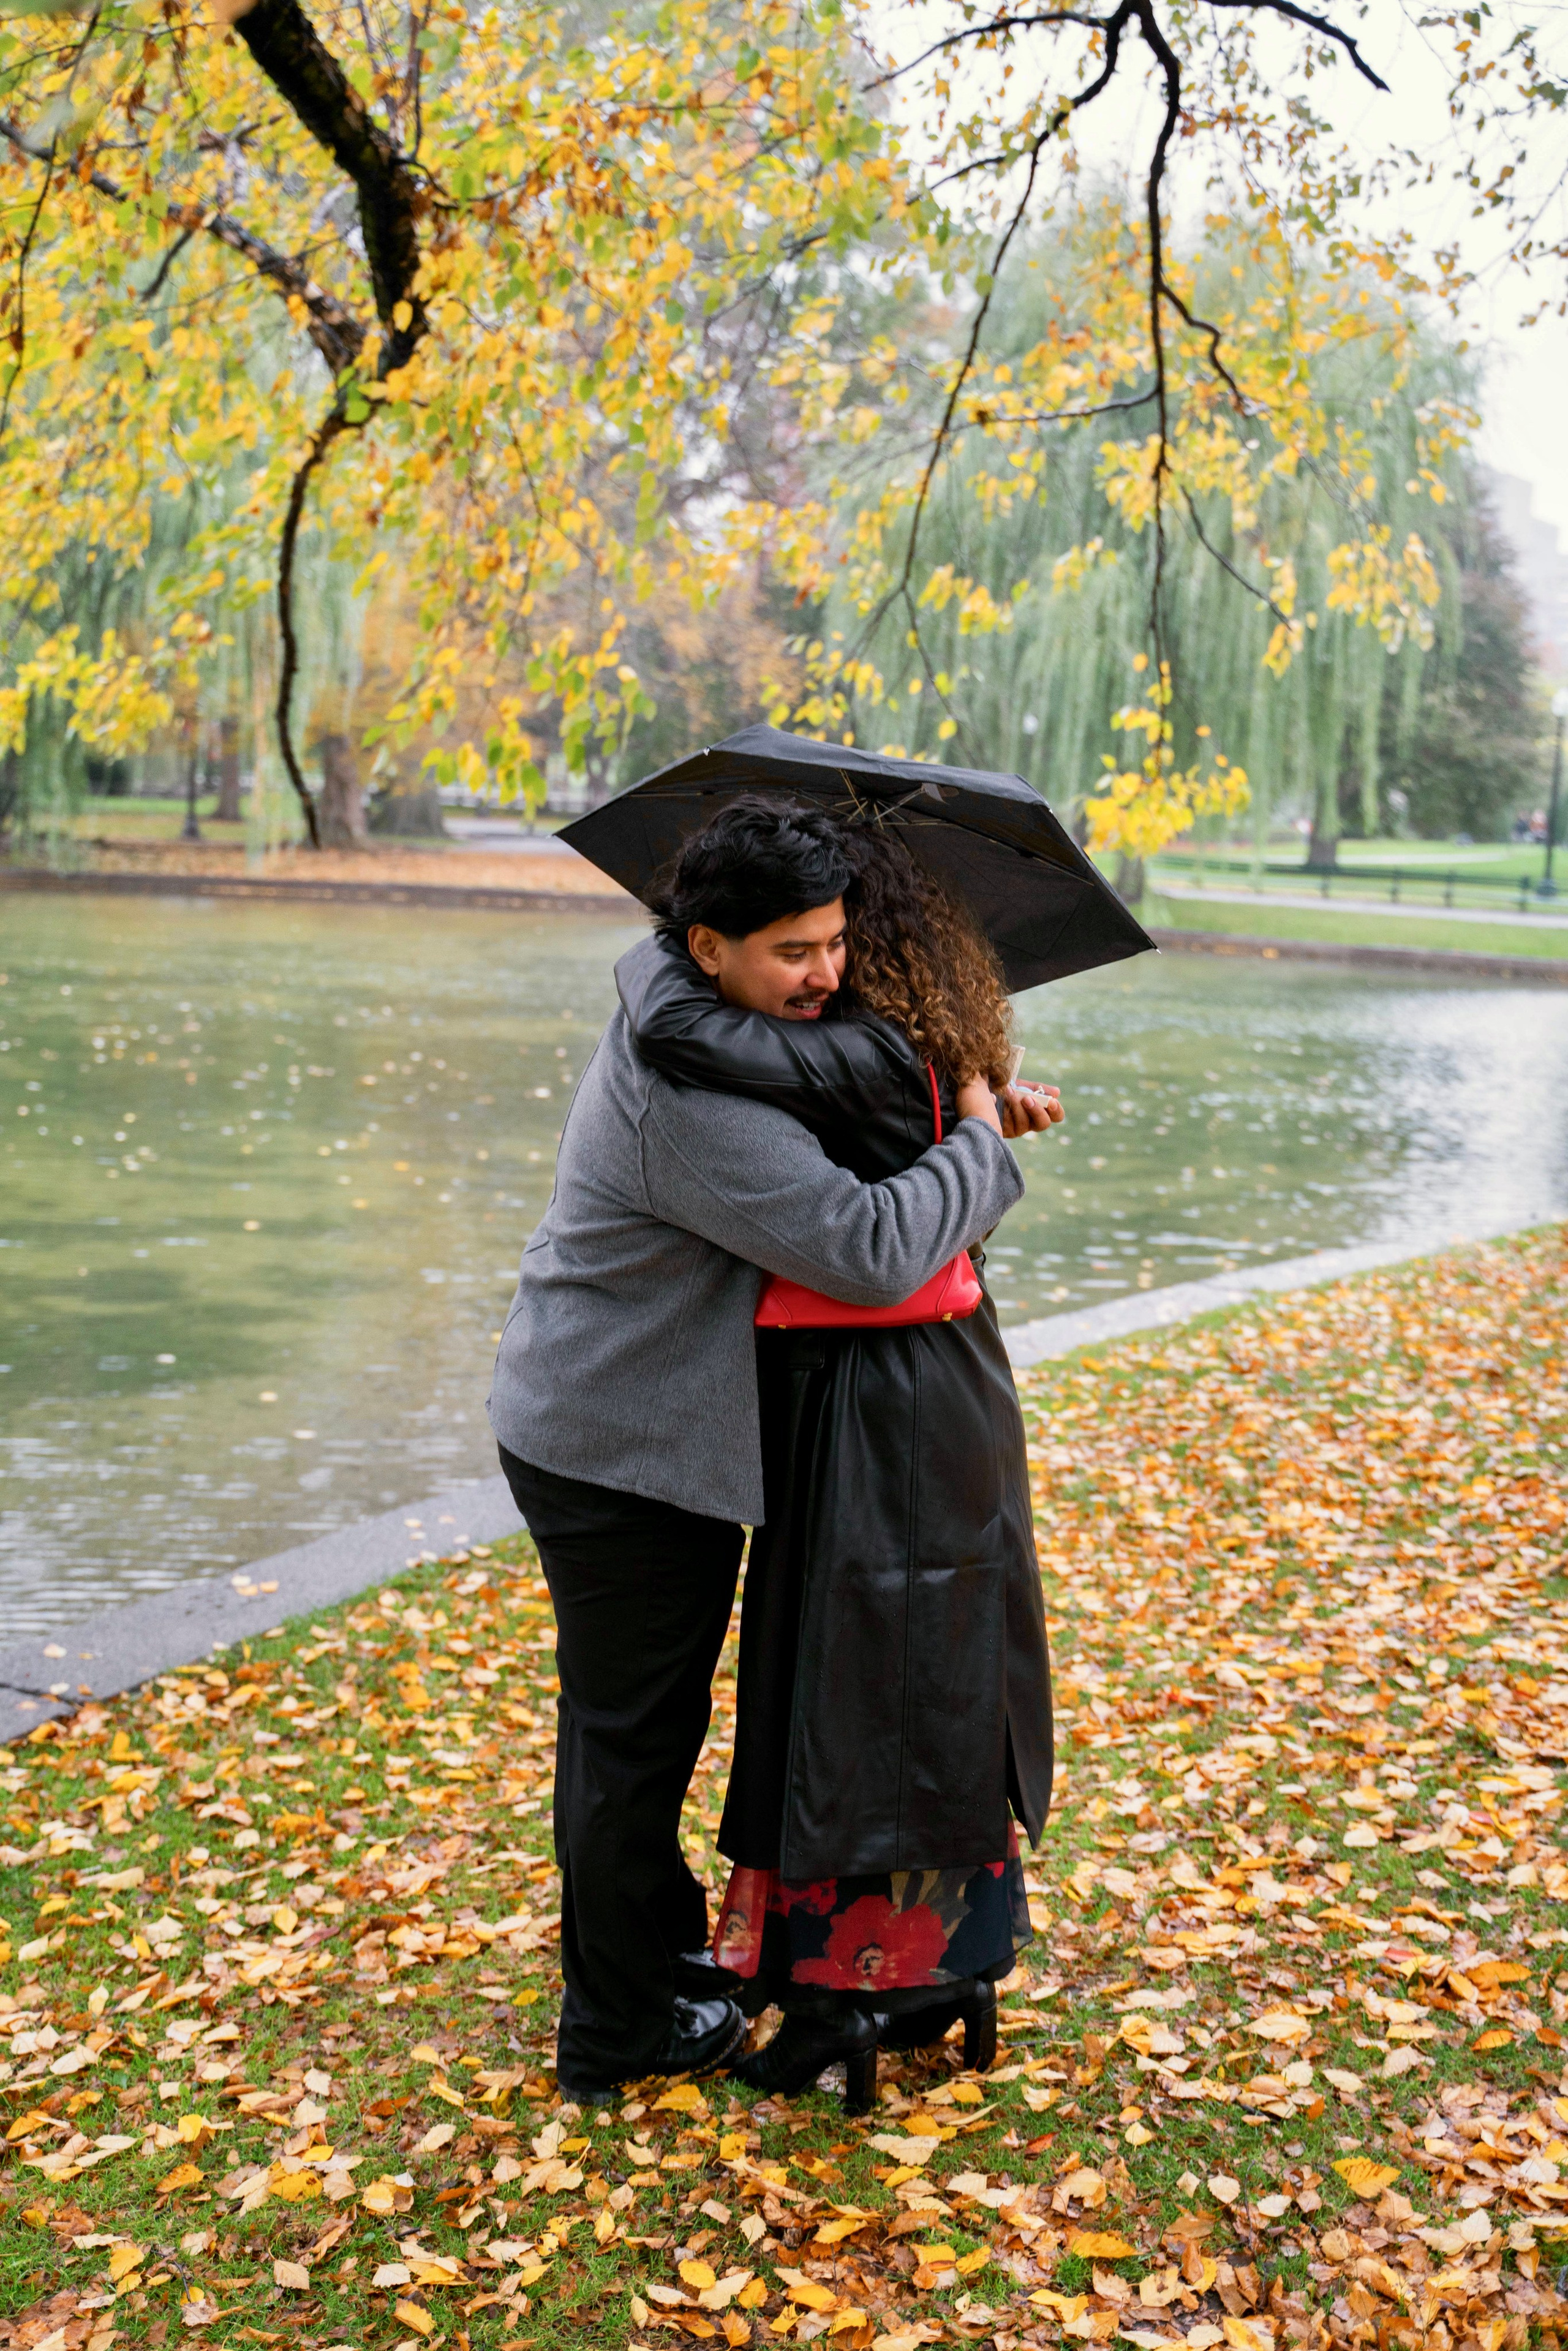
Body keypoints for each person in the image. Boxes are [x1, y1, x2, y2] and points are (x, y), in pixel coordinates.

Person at [488, 800, 1042, 2103]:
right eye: (793, 949)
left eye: (837, 940)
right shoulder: (689, 1096)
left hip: (641, 1421)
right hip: (616, 1443)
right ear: (708, 944)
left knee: (632, 1729)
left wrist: (948, 1125)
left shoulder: (712, 1021)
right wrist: (974, 1139)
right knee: (630, 1739)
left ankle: (649, 1961)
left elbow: (860, 1171)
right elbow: (861, 1245)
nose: (825, 972)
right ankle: (615, 2024)